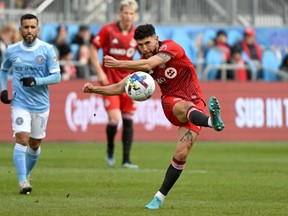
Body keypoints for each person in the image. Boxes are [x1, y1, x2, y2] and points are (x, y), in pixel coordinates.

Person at [82, 23, 225, 209]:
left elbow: (150, 63)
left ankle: (158, 198)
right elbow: (119, 87)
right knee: (183, 106)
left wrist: (119, 63)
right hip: (171, 103)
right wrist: (95, 89)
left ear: (156, 38)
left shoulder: (171, 47)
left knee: (181, 153)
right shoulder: (143, 63)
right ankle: (211, 122)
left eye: (147, 43)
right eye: (140, 45)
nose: (144, 48)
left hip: (196, 102)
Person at [0, 14, 61, 194]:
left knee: (34, 144)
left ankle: (26, 175)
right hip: (20, 102)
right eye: (25, 27)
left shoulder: (47, 50)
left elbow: (57, 77)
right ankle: (22, 183)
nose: (29, 31)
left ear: (38, 30)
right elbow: (3, 70)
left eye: (32, 27)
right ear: (20, 29)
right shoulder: (12, 50)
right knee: (22, 138)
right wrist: (3, 88)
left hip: (41, 104)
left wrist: (36, 81)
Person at [90, 0, 139, 169]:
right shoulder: (108, 30)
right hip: (110, 80)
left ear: (135, 15)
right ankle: (110, 150)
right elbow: (92, 48)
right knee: (114, 118)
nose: (128, 16)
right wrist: (99, 71)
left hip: (130, 82)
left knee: (128, 119)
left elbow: (146, 55)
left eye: (131, 13)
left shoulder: (137, 34)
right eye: (126, 12)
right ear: (120, 13)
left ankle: (126, 160)